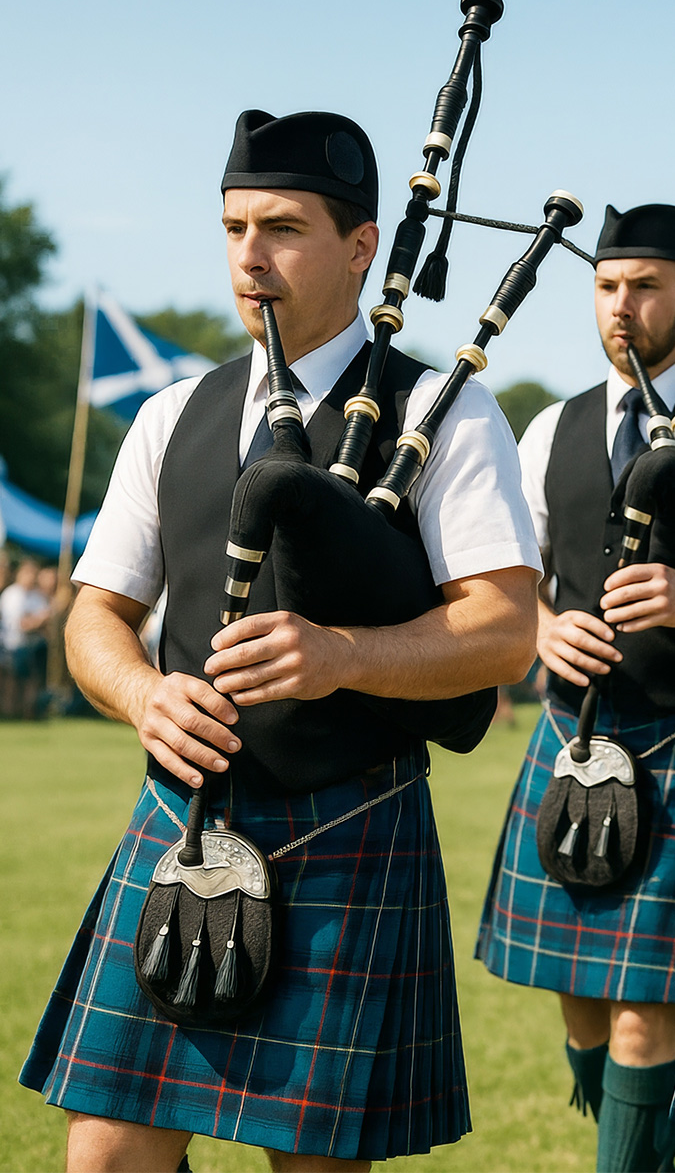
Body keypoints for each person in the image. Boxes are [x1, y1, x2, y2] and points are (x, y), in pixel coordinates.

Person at [20, 109, 541, 1173]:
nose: (249, 256)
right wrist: (140, 695)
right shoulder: (175, 415)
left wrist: (347, 654)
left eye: (284, 227)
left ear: (361, 246)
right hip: (183, 817)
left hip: (349, 819)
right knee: (105, 1148)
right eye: (232, 226)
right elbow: (96, 617)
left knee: (311, 1161)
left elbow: (503, 629)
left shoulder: (447, 412)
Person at [476, 203, 675, 1172]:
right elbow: (514, 586)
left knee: (648, 1009)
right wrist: (549, 629)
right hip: (575, 738)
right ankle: (633, 1138)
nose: (622, 307)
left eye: (644, 286)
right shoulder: (554, 425)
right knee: (587, 1000)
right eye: (606, 286)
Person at [0, 556, 50, 717]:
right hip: (12, 647)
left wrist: (36, 621)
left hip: (34, 647)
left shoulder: (37, 596)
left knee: (32, 681)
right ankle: (11, 712)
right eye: (27, 573)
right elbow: (23, 625)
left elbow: (45, 622)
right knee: (13, 683)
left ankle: (27, 712)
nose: (31, 577)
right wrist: (38, 621)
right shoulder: (12, 595)